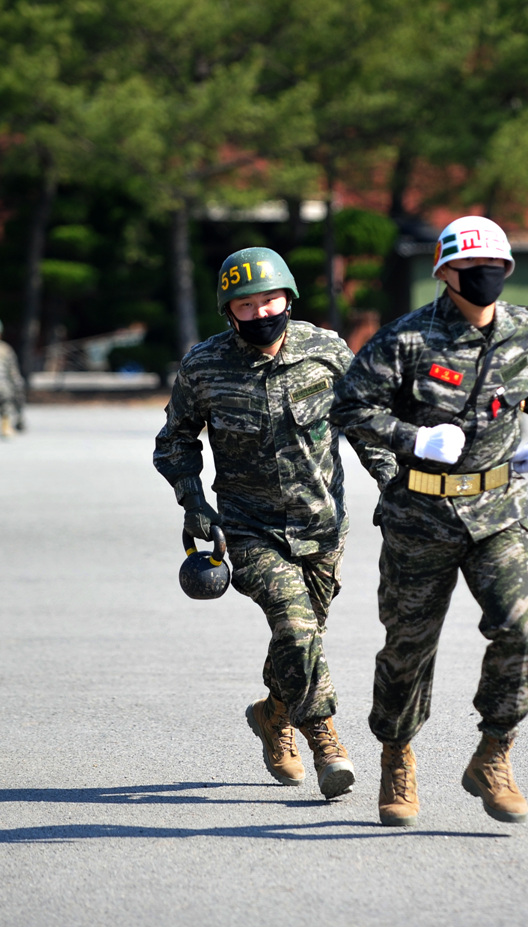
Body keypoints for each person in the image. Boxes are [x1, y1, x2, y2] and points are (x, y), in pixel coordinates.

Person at [330, 216, 528, 827]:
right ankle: (397, 756)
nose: (487, 278)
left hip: (498, 513)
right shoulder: (405, 340)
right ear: (445, 272)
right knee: (409, 648)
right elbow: (351, 407)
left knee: (522, 626)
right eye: (474, 269)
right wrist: (412, 438)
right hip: (420, 515)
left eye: (498, 268)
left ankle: (494, 753)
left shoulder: (524, 328)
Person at [154, 247, 397, 799]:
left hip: (322, 528)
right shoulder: (204, 365)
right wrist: (193, 502)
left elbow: (364, 424)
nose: (262, 314)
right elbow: (174, 442)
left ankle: (272, 714)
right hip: (246, 529)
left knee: (301, 640)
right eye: (247, 306)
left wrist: (393, 484)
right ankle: (325, 737)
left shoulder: (327, 350)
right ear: (228, 311)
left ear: (289, 298)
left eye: (271, 301)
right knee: (295, 627)